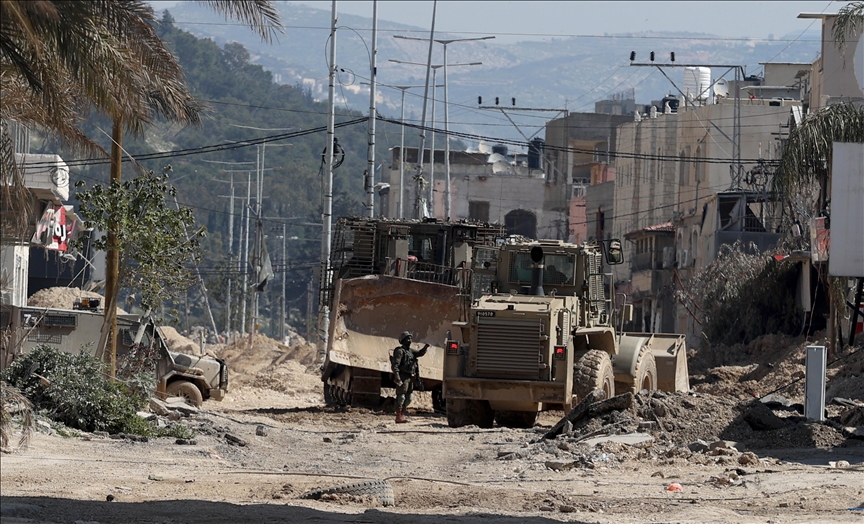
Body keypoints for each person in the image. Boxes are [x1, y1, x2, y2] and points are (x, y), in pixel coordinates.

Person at [390, 331, 428, 423]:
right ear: (402, 340)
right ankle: (398, 416)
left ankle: (402, 413)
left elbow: (420, 353)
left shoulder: (410, 351)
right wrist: (397, 377)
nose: (409, 340)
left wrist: (425, 347)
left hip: (410, 377)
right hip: (402, 376)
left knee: (409, 398)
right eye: (407, 338)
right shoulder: (399, 351)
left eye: (410, 338)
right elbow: (395, 365)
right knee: (401, 396)